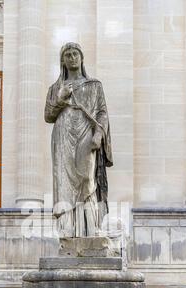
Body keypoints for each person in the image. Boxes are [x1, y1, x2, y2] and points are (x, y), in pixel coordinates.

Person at [45, 42, 113, 237]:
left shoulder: (94, 85)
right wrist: (60, 99)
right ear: (62, 61)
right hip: (63, 134)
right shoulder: (55, 87)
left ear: (82, 58)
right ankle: (67, 231)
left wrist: (99, 135)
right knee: (63, 181)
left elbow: (102, 113)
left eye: (75, 54)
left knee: (88, 178)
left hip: (86, 133)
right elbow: (48, 115)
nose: (72, 58)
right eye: (68, 55)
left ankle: (90, 230)